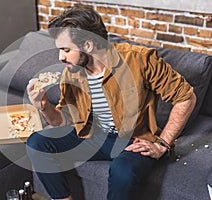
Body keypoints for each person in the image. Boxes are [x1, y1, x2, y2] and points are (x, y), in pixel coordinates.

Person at [26, 6, 196, 200]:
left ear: (88, 45)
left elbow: (186, 97)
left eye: (66, 50)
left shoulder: (140, 59)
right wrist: (43, 105)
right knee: (37, 142)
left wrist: (162, 144)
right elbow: (62, 121)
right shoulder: (72, 72)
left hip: (133, 140)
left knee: (122, 172)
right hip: (92, 135)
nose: (60, 57)